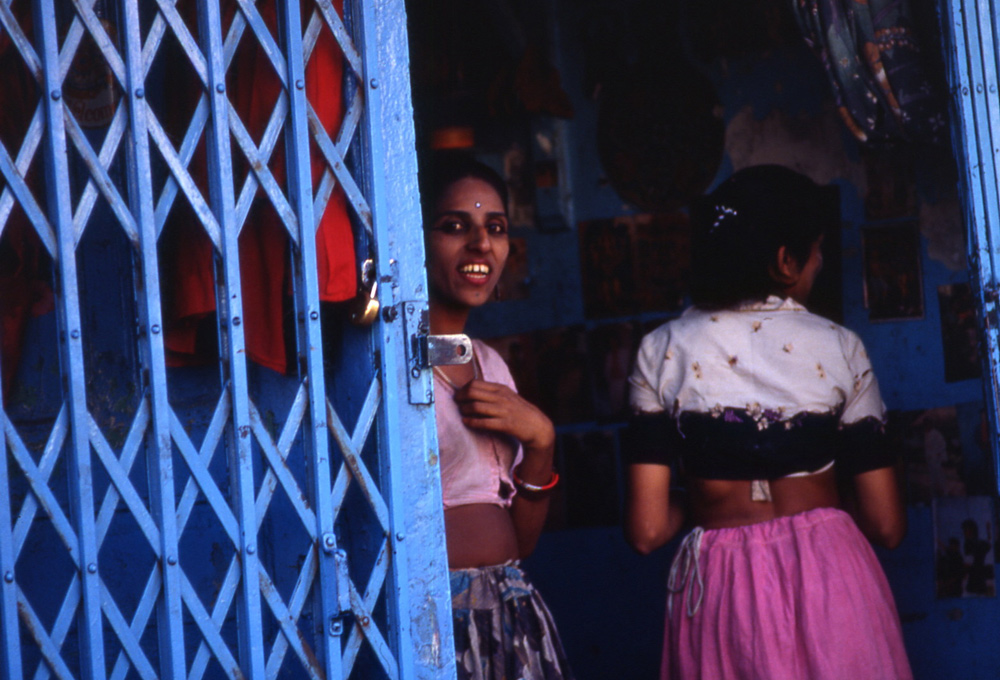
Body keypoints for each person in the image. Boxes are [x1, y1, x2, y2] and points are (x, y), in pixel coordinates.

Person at [625, 165, 912, 679]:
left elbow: (646, 531)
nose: (821, 262)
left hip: (720, 587)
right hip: (832, 575)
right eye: (818, 249)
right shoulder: (840, 346)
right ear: (786, 261)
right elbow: (886, 524)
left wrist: (713, 501)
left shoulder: (661, 350)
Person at [422, 156, 574, 680]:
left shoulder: (488, 363)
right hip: (434, 621)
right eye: (455, 226)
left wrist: (542, 441)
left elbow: (521, 541)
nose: (481, 244)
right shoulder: (388, 369)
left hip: (510, 615)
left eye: (496, 228)